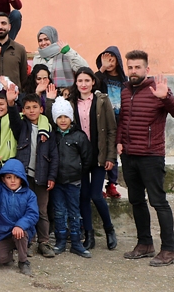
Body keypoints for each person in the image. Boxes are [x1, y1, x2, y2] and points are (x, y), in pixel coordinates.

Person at [117, 50, 174, 267]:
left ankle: (169, 249)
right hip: (129, 156)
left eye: (137, 67)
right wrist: (119, 141)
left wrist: (166, 97)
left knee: (159, 202)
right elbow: (123, 120)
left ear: (146, 69)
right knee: (136, 201)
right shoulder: (125, 90)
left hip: (151, 156)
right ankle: (145, 244)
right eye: (130, 67)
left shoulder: (158, 89)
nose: (133, 71)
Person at [63, 68, 119, 251]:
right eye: (80, 81)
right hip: (80, 157)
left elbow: (111, 130)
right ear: (76, 83)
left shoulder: (102, 101)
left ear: (93, 82)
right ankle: (89, 234)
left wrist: (111, 156)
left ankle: (109, 229)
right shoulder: (70, 102)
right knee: (83, 196)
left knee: (96, 194)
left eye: (87, 80)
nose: (84, 84)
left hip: (99, 156)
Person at [10, 93, 58, 258]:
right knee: (25, 209)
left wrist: (52, 176)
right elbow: (14, 119)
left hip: (42, 175)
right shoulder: (22, 126)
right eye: (28, 108)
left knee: (42, 210)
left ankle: (43, 242)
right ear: (23, 110)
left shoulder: (48, 129)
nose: (31, 110)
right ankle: (27, 241)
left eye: (35, 107)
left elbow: (54, 155)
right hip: (25, 175)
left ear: (41, 109)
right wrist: (11, 102)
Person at [50, 97, 93, 258]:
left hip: (74, 181)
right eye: (59, 117)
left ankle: (76, 243)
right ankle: (60, 241)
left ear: (71, 118)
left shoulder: (79, 136)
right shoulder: (52, 136)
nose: (62, 120)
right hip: (57, 181)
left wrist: (79, 171)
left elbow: (87, 158)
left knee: (75, 211)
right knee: (59, 211)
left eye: (66, 117)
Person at [0, 152, 39, 276]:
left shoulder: (30, 195)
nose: (13, 180)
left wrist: (20, 225)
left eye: (16, 177)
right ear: (3, 179)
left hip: (21, 232)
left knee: (20, 233)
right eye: (9, 177)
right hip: (4, 234)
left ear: (22, 178)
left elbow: (33, 214)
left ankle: (23, 261)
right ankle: (10, 255)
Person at [94, 46, 127, 198]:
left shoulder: (124, 81)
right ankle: (98, 185)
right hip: (103, 121)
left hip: (119, 121)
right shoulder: (101, 79)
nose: (110, 63)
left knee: (113, 155)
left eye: (112, 60)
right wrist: (102, 68)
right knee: (101, 154)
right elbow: (92, 84)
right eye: (107, 60)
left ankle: (112, 184)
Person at [0, 12, 29, 89]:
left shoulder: (20, 49)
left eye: (3, 23)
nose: (0, 26)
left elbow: (24, 77)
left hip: (15, 96)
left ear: (9, 27)